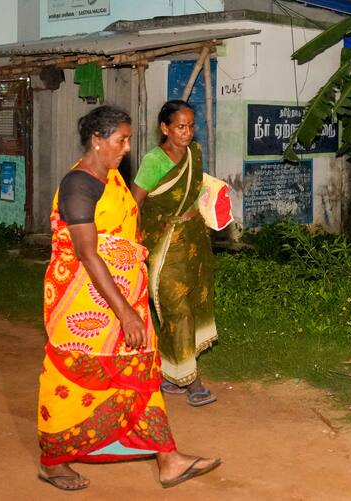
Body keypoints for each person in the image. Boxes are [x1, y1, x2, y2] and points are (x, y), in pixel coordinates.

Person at [39, 105, 221, 491]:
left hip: (121, 298)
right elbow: (87, 254)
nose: (126, 148)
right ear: (97, 140)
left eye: (127, 140)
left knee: (140, 373)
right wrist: (125, 312)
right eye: (121, 140)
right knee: (75, 378)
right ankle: (53, 460)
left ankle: (167, 459)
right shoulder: (79, 185)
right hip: (85, 306)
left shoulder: (110, 177)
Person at [132, 100, 217, 407]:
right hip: (162, 243)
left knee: (189, 305)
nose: (187, 132)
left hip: (191, 241)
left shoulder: (194, 153)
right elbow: (135, 202)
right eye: (180, 126)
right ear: (164, 128)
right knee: (175, 308)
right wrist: (134, 241)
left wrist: (209, 206)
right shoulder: (154, 160)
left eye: (191, 126)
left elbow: (196, 190)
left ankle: (171, 375)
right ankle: (191, 380)